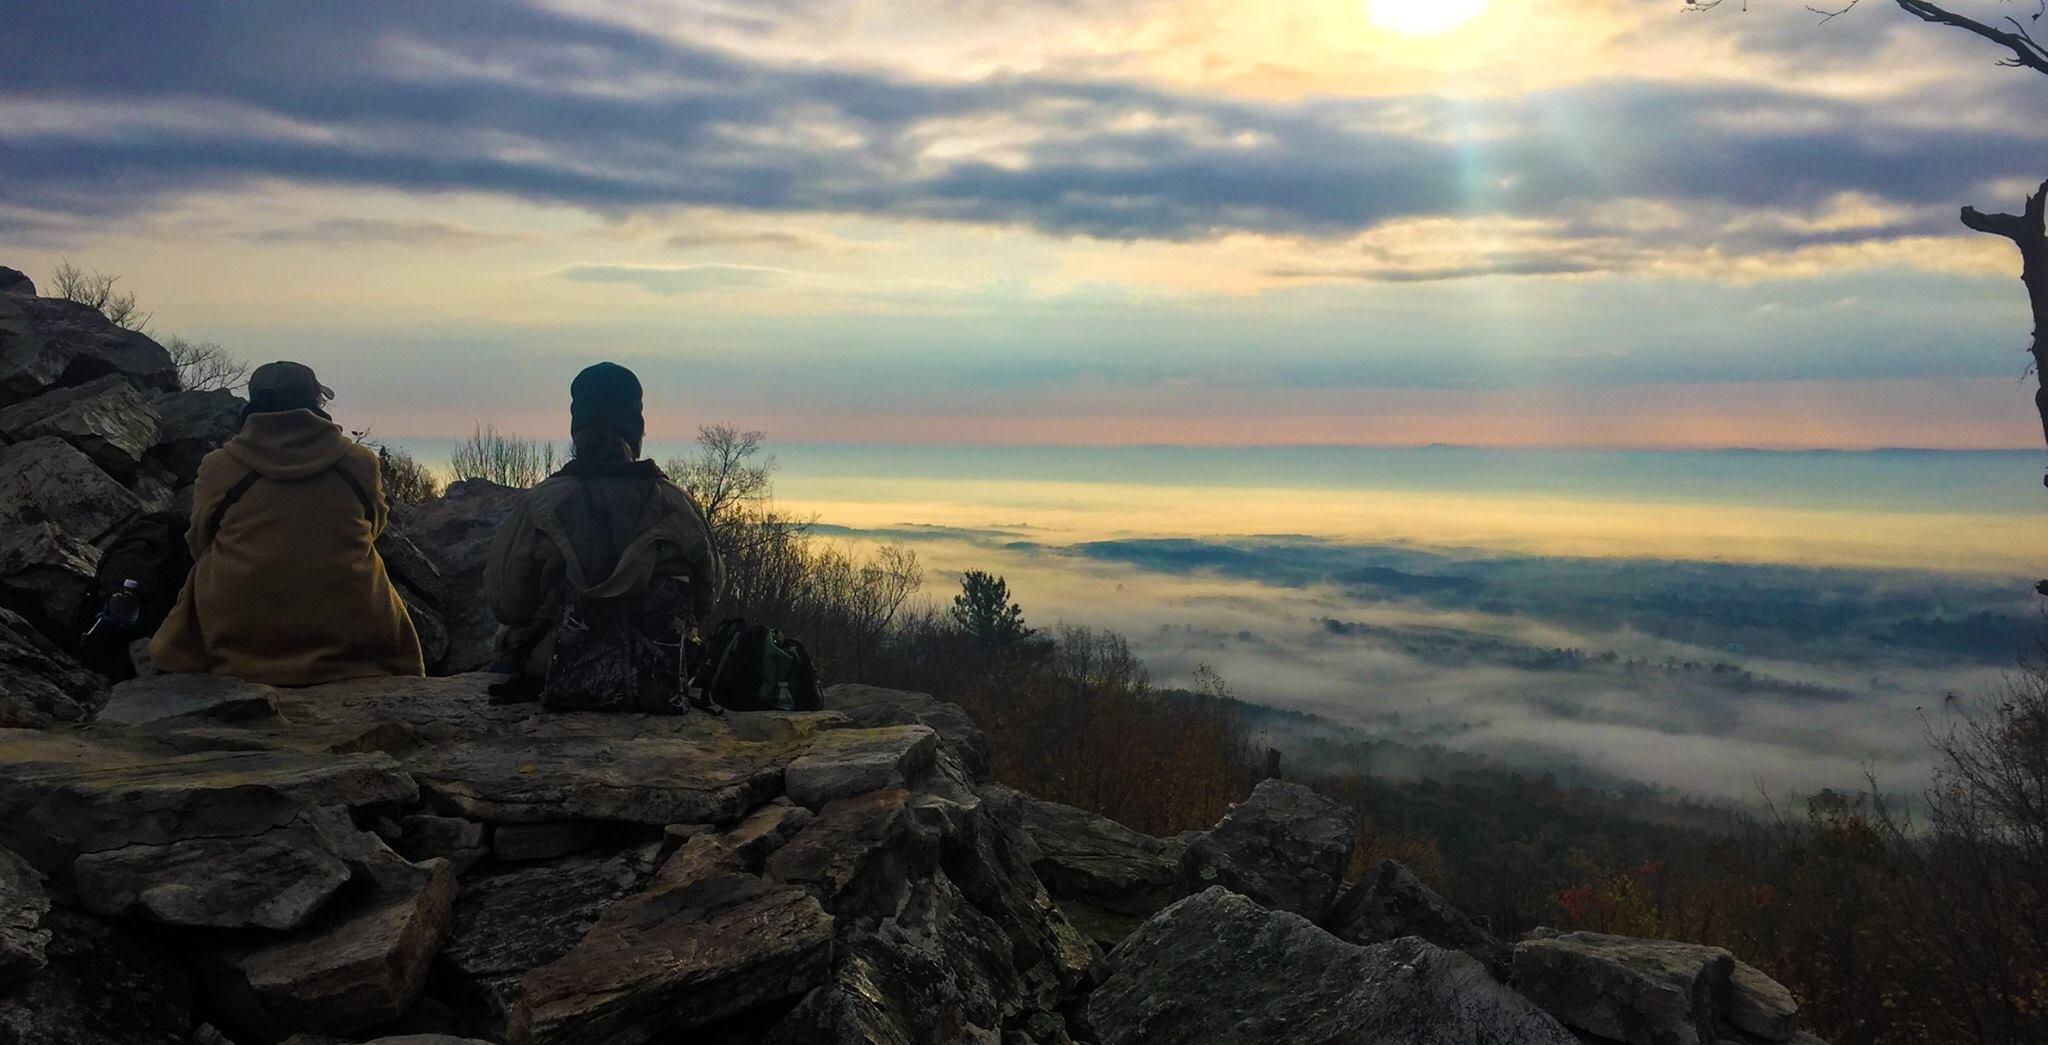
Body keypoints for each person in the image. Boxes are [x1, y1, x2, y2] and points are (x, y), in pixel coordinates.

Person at [150, 361, 424, 685]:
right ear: (315, 403)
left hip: (239, 637)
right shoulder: (359, 462)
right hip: (350, 640)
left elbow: (199, 541)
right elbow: (374, 527)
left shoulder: (219, 465)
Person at [483, 362, 721, 708]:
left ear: (577, 429)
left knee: (506, 645)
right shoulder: (678, 505)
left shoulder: (542, 503)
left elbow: (508, 604)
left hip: (558, 675)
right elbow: (706, 601)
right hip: (658, 681)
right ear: (636, 428)